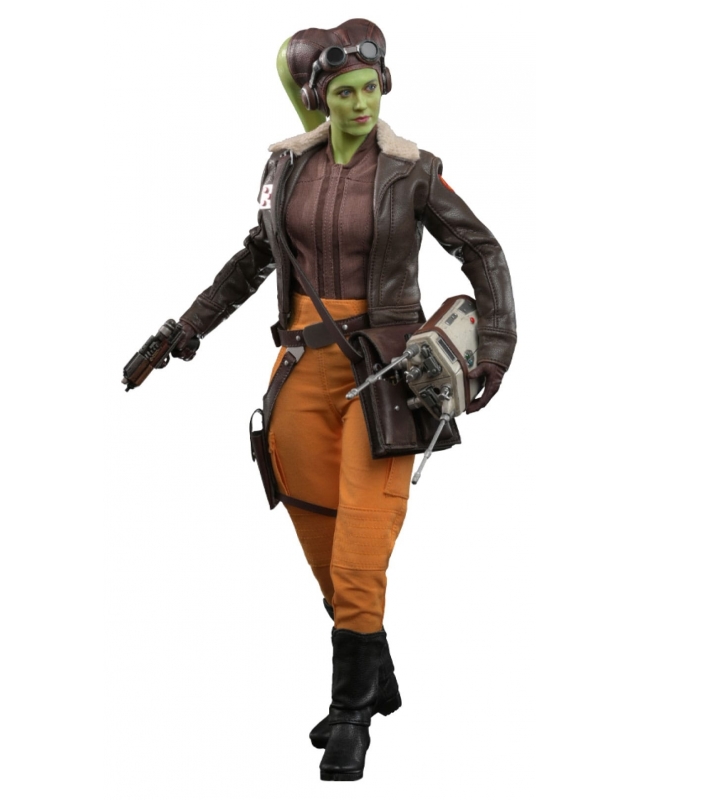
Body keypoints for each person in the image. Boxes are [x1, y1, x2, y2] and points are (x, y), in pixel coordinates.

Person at [169, 19, 516, 781]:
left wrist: (495, 343)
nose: (361, 105)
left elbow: (481, 249)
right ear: (317, 98)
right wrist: (185, 329)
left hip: (385, 376)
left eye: (370, 89)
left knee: (362, 542)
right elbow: (256, 257)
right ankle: (377, 676)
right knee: (316, 528)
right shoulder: (286, 167)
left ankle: (351, 714)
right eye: (344, 92)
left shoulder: (413, 171)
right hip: (300, 368)